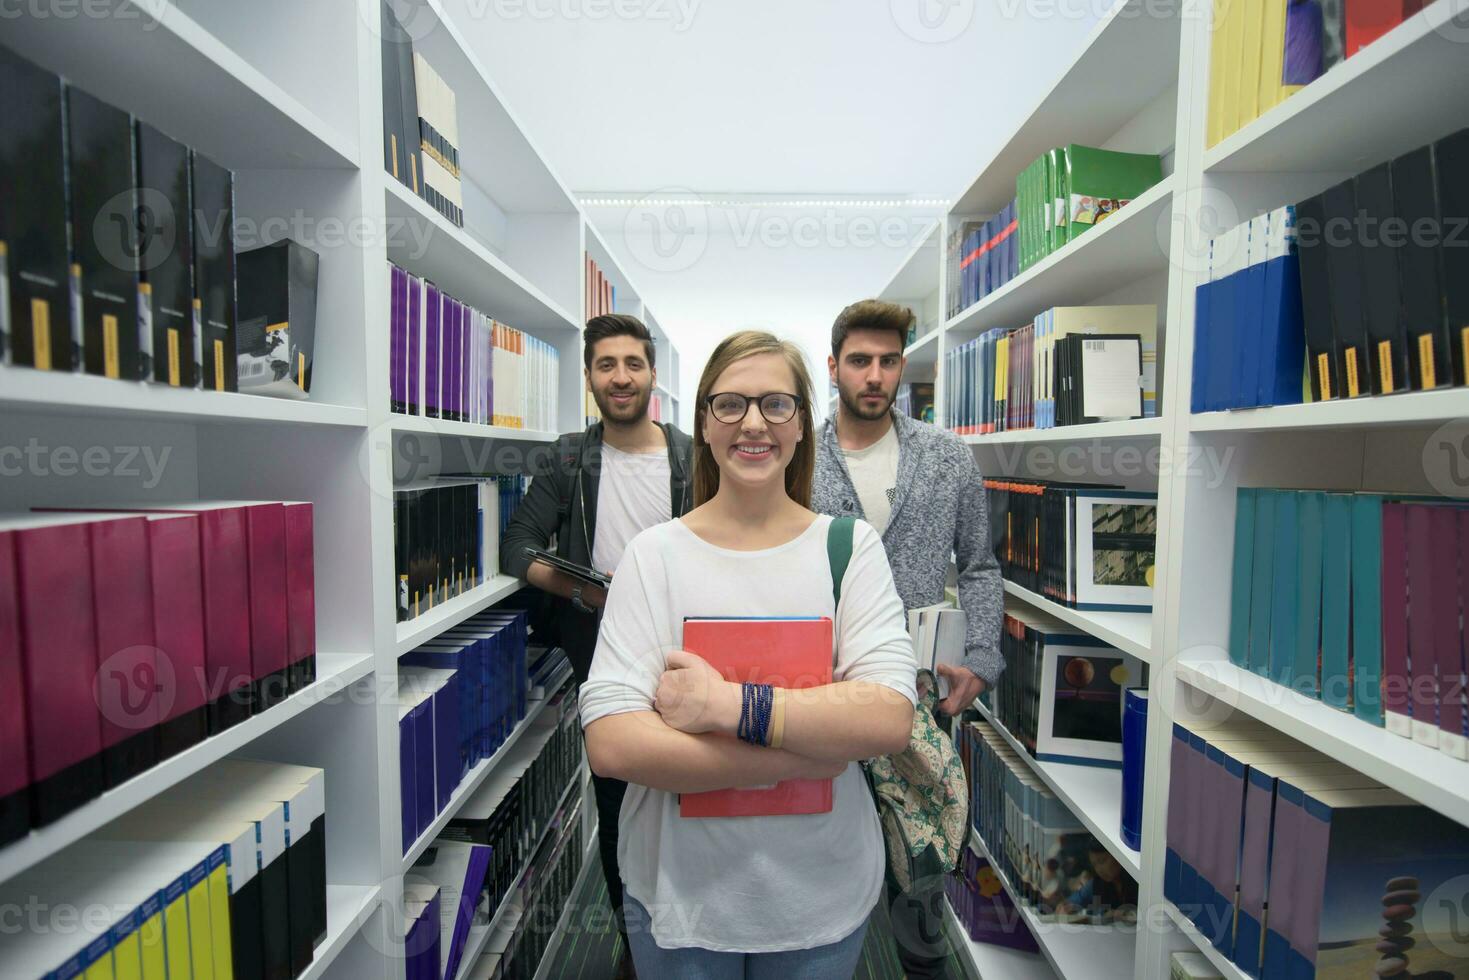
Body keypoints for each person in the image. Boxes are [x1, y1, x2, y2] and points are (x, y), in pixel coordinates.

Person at [580, 330, 917, 978]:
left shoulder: (848, 549)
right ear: (703, 421)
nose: (753, 423)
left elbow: (885, 718)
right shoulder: (654, 556)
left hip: (819, 897)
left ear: (799, 425)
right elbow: (614, 743)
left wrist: (721, 704)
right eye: (729, 404)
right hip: (680, 901)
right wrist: (810, 746)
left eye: (776, 404)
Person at [812, 298, 1005, 980]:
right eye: (859, 361)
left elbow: (978, 566)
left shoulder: (947, 457)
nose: (874, 375)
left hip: (920, 696)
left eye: (887, 361)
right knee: (819, 856)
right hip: (820, 692)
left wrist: (980, 658)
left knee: (918, 866)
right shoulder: (797, 455)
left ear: (901, 368)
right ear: (832, 366)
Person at [500, 313, 693, 978]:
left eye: (632, 363)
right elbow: (516, 547)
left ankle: (691, 933)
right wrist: (587, 594)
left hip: (688, 655)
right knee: (616, 803)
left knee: (692, 796)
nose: (620, 376)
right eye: (606, 364)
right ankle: (634, 943)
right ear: (588, 377)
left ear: (651, 375)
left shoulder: (691, 455)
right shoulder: (566, 457)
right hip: (602, 655)